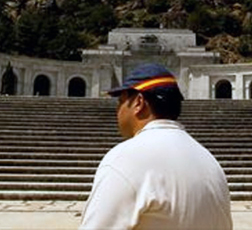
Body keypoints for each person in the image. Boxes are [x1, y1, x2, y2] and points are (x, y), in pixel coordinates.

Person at [79, 63, 232, 230]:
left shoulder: (125, 159)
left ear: (139, 102)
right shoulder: (209, 161)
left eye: (121, 102)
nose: (118, 110)